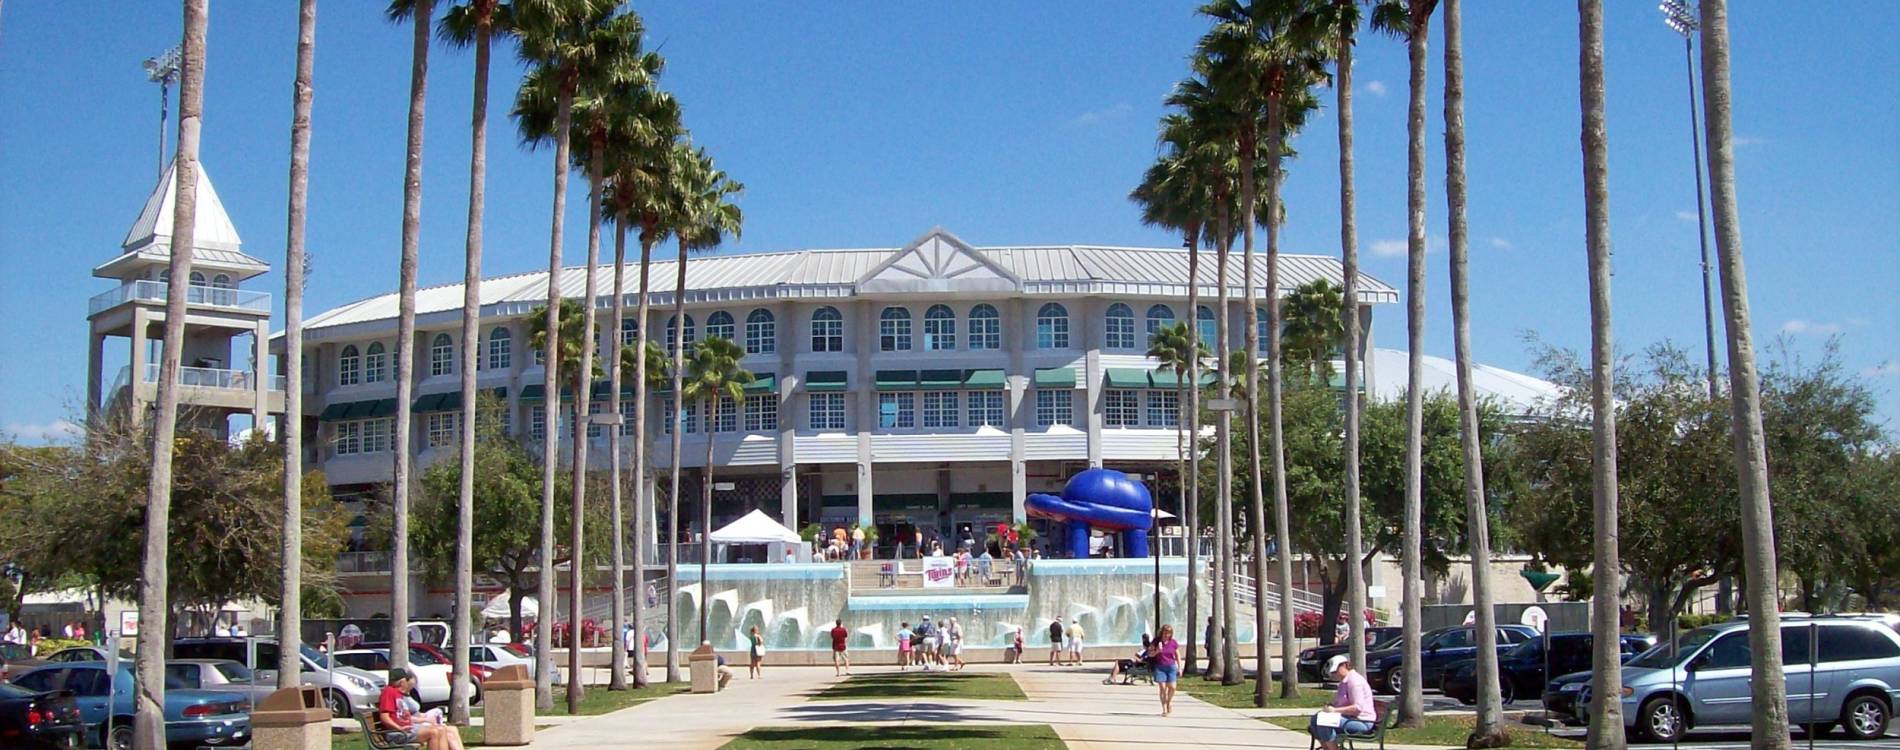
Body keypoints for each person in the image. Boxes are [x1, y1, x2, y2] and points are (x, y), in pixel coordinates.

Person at [379, 668, 463, 750]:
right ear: (402, 682)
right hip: (397, 733)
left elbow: (403, 716)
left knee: (441, 729)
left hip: (408, 729)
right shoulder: (388, 692)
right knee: (434, 732)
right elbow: (384, 717)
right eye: (406, 681)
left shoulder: (398, 694)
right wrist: (399, 728)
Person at [1309, 655, 1377, 750]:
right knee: (1315, 720)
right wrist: (1330, 707)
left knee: (1323, 722)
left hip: (1362, 721)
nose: (1334, 674)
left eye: (1335, 671)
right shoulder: (1344, 682)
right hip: (1349, 718)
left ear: (1344, 666)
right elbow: (1341, 703)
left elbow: (1357, 708)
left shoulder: (1354, 681)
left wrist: (1334, 710)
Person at [1152, 625, 1180, 716]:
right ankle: (1164, 709)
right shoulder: (1156, 642)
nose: (1166, 635)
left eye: (1168, 633)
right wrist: (1157, 651)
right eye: (1165, 632)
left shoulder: (1173, 642)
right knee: (1163, 688)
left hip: (1171, 667)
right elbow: (1149, 654)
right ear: (1162, 632)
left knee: (1172, 687)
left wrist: (1180, 667)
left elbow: (1177, 655)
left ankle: (1169, 702)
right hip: (1160, 667)